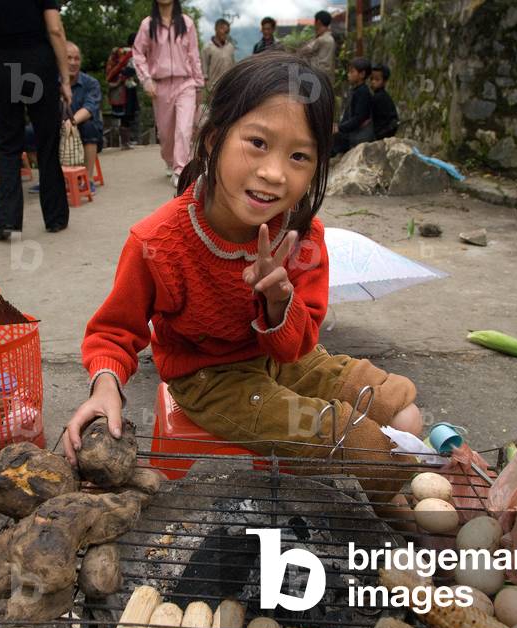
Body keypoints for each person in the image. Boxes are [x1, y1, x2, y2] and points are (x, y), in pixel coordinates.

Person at [61, 53, 423, 524]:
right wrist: (105, 386)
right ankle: (389, 504)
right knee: (354, 439)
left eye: (298, 156)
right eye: (257, 143)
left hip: (282, 357)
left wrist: (279, 303)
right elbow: (114, 331)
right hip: (210, 377)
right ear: (214, 139)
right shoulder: (158, 243)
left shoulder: (303, 237)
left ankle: (397, 480)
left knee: (399, 407)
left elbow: (299, 346)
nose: (274, 173)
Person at [0, 0, 72, 240]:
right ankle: (55, 218)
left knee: (8, 145)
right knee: (47, 141)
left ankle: (8, 221)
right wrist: (66, 78)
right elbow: (55, 29)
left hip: (2, 65)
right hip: (38, 62)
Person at [133, 0, 204, 189]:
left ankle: (181, 170)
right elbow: (138, 54)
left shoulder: (186, 23)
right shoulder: (148, 24)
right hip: (160, 86)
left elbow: (194, 55)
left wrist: (199, 85)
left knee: (184, 129)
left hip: (185, 82)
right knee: (166, 134)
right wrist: (146, 79)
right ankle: (170, 159)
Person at [67, 41, 103, 192]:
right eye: (68, 58)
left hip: (83, 131)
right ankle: (49, 178)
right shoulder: (51, 82)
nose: (73, 62)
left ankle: (87, 179)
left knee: (89, 126)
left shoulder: (91, 83)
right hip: (59, 130)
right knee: (31, 131)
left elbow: (90, 108)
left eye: (77, 58)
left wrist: (72, 122)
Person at [331, 57, 374, 156]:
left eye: (352, 72)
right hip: (349, 132)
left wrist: (339, 128)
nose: (348, 74)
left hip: (356, 136)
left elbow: (359, 118)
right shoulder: (355, 90)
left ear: (362, 74)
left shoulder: (363, 92)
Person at [106, 33, 140, 149]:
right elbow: (130, 70)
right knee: (126, 114)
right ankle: (125, 143)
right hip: (124, 88)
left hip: (124, 86)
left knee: (126, 115)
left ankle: (126, 142)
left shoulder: (121, 51)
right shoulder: (129, 53)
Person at [297, 10, 336, 80]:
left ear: (318, 22)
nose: (314, 25)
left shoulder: (322, 39)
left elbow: (304, 51)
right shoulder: (330, 38)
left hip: (318, 77)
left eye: (315, 22)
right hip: (326, 76)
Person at [201, 18, 235, 92]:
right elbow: (204, 70)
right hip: (212, 88)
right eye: (223, 29)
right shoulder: (207, 48)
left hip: (228, 86)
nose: (225, 33)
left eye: (227, 31)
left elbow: (233, 66)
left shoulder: (230, 47)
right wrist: (206, 87)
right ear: (216, 29)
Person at [370, 64, 399, 140]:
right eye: (372, 79)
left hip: (382, 135)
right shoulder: (380, 96)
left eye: (377, 80)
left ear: (384, 81)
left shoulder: (380, 97)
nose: (373, 82)